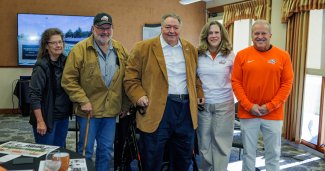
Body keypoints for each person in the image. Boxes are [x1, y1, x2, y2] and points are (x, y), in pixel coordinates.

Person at [124, 13, 203, 171]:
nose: (171, 31)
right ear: (161, 28)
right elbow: (130, 78)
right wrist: (139, 96)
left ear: (180, 29)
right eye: (168, 27)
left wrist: (199, 93)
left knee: (183, 158)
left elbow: (194, 76)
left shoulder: (190, 49)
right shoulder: (143, 48)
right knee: (152, 158)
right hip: (157, 109)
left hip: (186, 111)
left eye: (175, 27)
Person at [61, 12, 129, 171]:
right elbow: (68, 79)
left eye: (108, 28)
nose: (105, 32)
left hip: (110, 111)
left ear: (112, 29)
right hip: (88, 112)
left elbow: (128, 78)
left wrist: (125, 105)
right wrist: (83, 100)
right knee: (86, 150)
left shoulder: (120, 49)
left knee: (106, 150)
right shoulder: (80, 49)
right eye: (101, 28)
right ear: (93, 28)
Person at [231, 20, 294, 171]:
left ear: (270, 35)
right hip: (248, 113)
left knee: (273, 153)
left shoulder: (283, 56)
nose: (260, 36)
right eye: (256, 33)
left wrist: (270, 106)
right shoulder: (242, 55)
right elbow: (235, 82)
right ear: (252, 36)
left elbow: (287, 84)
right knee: (249, 153)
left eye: (263, 33)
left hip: (273, 114)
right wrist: (248, 105)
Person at [196, 20, 235, 171]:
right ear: (206, 35)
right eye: (210, 33)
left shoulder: (230, 55)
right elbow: (194, 77)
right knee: (204, 143)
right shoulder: (198, 54)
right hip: (203, 105)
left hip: (224, 104)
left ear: (222, 35)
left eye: (216, 32)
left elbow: (238, 79)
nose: (213, 36)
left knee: (221, 142)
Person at [29, 28, 72, 147]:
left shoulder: (66, 62)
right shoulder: (41, 66)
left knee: (60, 152)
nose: (58, 45)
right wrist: (40, 121)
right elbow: (34, 96)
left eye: (60, 42)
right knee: (46, 155)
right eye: (54, 43)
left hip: (62, 117)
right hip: (46, 118)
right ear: (46, 46)